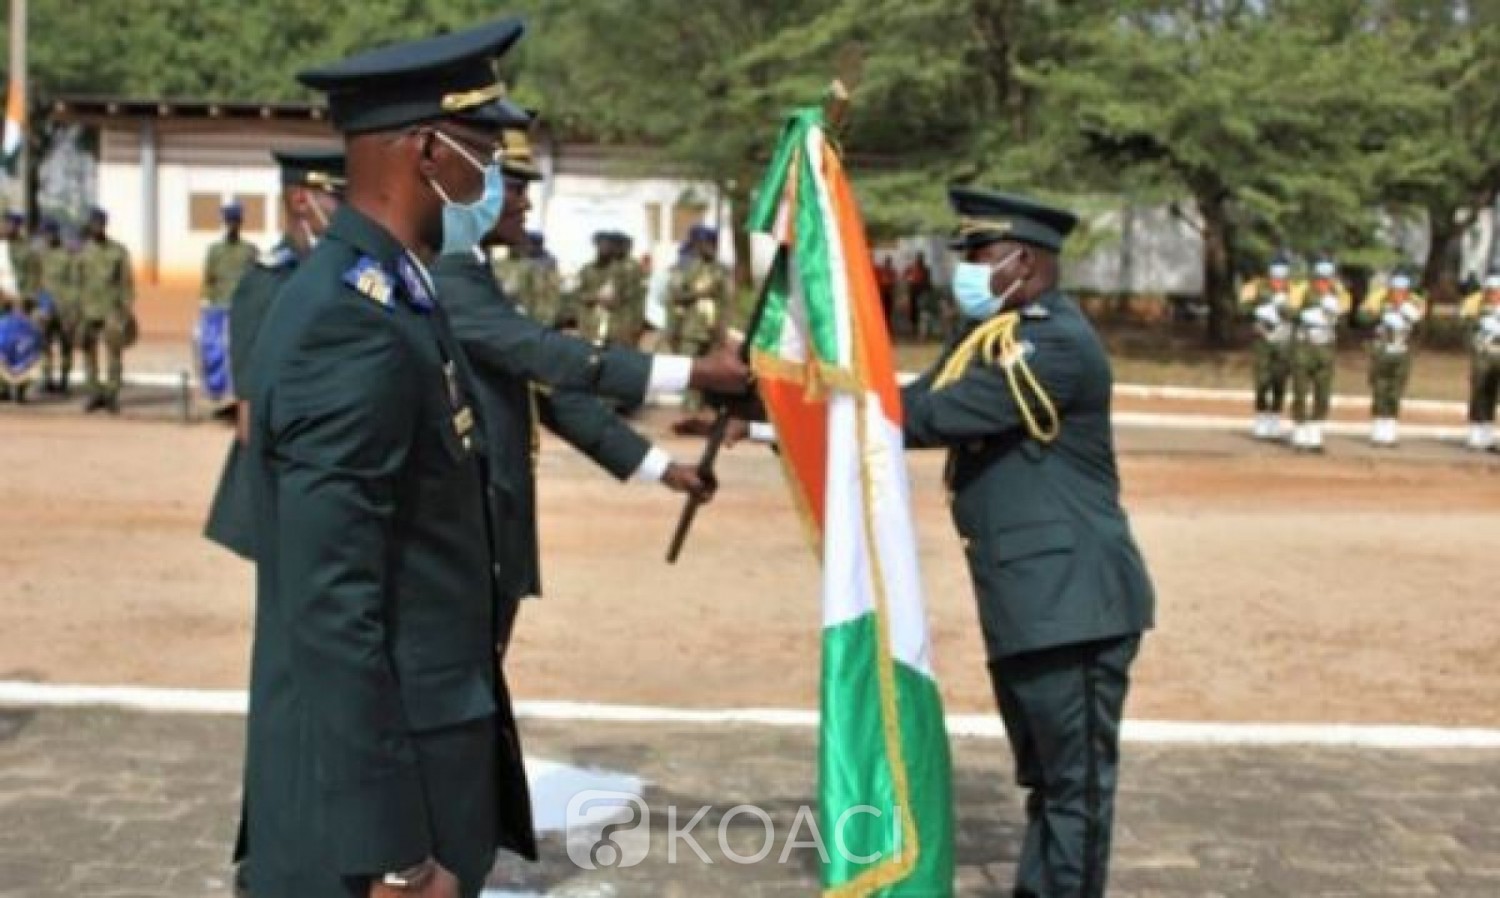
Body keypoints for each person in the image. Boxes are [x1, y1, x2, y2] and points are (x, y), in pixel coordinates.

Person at [238, 19, 538, 898]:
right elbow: (334, 607)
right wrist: (398, 855)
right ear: (428, 153)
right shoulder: (350, 322)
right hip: (378, 823)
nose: (491, 178)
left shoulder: (397, 294)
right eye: (483, 152)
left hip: (422, 767)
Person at [901, 188, 1155, 898]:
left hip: (1073, 604)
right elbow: (913, 402)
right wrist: (784, 408)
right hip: (1028, 600)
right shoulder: (989, 336)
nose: (967, 271)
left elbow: (932, 418)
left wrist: (816, 406)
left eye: (980, 256)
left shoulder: (1055, 344)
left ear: (1025, 262)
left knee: (1076, 786)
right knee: (1048, 780)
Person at [434, 119, 749, 611]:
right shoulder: (447, 272)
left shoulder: (471, 269)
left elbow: (550, 393)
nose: (525, 204)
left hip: (491, 526)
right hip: (466, 528)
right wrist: (697, 372)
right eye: (514, 188)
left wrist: (661, 468)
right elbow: (545, 357)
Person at [203, 148, 345, 561]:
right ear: (301, 200)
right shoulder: (270, 283)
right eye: (338, 196)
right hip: (292, 488)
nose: (349, 208)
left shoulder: (341, 273)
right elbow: (251, 419)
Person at [75, 207, 135, 414]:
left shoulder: (118, 251)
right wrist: (76, 309)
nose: (96, 228)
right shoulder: (82, 251)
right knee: (88, 353)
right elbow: (76, 282)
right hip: (87, 309)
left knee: (114, 353)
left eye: (99, 224)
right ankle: (93, 393)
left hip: (111, 309)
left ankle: (111, 395)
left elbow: (126, 283)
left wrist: (126, 309)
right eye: (93, 224)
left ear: (105, 225)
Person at [1356, 269, 1425, 447]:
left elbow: (1421, 326)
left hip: (1401, 354)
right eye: (1394, 291)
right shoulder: (1377, 300)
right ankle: (1378, 431)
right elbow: (1361, 318)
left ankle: (1390, 431)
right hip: (1381, 353)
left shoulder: (1415, 303)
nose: (1397, 295)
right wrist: (1379, 314)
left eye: (1401, 291)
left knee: (1395, 392)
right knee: (1379, 391)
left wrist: (1408, 312)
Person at [1288, 258, 1349, 452]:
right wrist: (1305, 313)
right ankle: (1299, 432)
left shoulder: (1339, 293)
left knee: (1323, 392)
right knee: (1300, 391)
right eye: (1320, 279)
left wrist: (1335, 310)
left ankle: (1315, 433)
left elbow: (1345, 316)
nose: (1324, 283)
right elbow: (1288, 311)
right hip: (1304, 348)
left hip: (1325, 349)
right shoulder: (1302, 290)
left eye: (1327, 279)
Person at [1237, 257, 1296, 440]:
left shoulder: (1294, 289)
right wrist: (1258, 308)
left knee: (1280, 381)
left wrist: (1286, 310)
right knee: (1262, 381)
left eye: (1282, 274)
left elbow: (1299, 313)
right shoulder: (1256, 287)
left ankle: (1275, 420)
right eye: (1275, 273)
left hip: (1283, 340)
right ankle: (1261, 419)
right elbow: (1242, 308)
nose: (1279, 278)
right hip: (1262, 340)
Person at [571, 229, 645, 347]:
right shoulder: (587, 270)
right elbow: (578, 295)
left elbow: (634, 298)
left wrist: (635, 327)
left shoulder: (624, 269)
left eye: (607, 245)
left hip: (619, 329)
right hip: (591, 328)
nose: (604, 248)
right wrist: (596, 296)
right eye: (600, 245)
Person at [34, 219, 79, 395]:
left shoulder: (67, 255)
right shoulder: (41, 255)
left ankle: (64, 380)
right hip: (46, 308)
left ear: (56, 233)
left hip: (64, 308)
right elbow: (38, 281)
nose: (46, 237)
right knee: (44, 343)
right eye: (44, 234)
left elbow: (75, 283)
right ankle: (47, 378)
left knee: (65, 344)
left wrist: (73, 310)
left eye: (49, 233)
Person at [1459, 268, 1500, 451]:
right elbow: (1466, 330)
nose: (1494, 295)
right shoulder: (1475, 308)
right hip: (1483, 356)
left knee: (1494, 395)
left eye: (1497, 291)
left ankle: (1489, 435)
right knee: (1479, 394)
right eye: (1491, 291)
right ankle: (1476, 435)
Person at [0, 210, 37, 402]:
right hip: (1, 301)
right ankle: (2, 387)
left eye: (10, 224)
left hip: (19, 304)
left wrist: (24, 300)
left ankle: (21, 387)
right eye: (4, 223)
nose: (6, 227)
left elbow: (35, 277)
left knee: (21, 345)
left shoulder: (27, 250)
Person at [202, 201, 259, 307]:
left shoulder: (250, 250)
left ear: (241, 223)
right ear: (225, 222)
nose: (232, 225)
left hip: (242, 306)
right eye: (229, 221)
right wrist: (206, 300)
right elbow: (209, 279)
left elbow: (257, 280)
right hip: (220, 304)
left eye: (235, 221)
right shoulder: (214, 250)